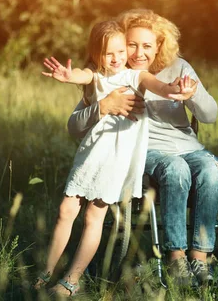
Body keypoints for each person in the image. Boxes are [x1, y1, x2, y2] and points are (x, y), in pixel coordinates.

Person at [34, 20, 193, 296]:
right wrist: (67, 76)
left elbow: (159, 85)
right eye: (110, 53)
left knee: (93, 217)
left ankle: (72, 280)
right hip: (91, 152)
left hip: (116, 157)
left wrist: (176, 89)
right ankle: (44, 274)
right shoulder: (95, 75)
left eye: (121, 51)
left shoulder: (134, 76)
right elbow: (83, 75)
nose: (118, 58)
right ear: (98, 55)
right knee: (65, 211)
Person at [67, 9, 218, 286]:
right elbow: (74, 127)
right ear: (120, 44)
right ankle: (176, 258)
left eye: (147, 46)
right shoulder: (113, 75)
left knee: (211, 169)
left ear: (159, 46)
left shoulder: (179, 68)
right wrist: (102, 107)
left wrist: (191, 93)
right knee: (176, 170)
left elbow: (210, 115)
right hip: (147, 150)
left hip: (187, 145)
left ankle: (200, 257)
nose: (139, 53)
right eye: (132, 45)